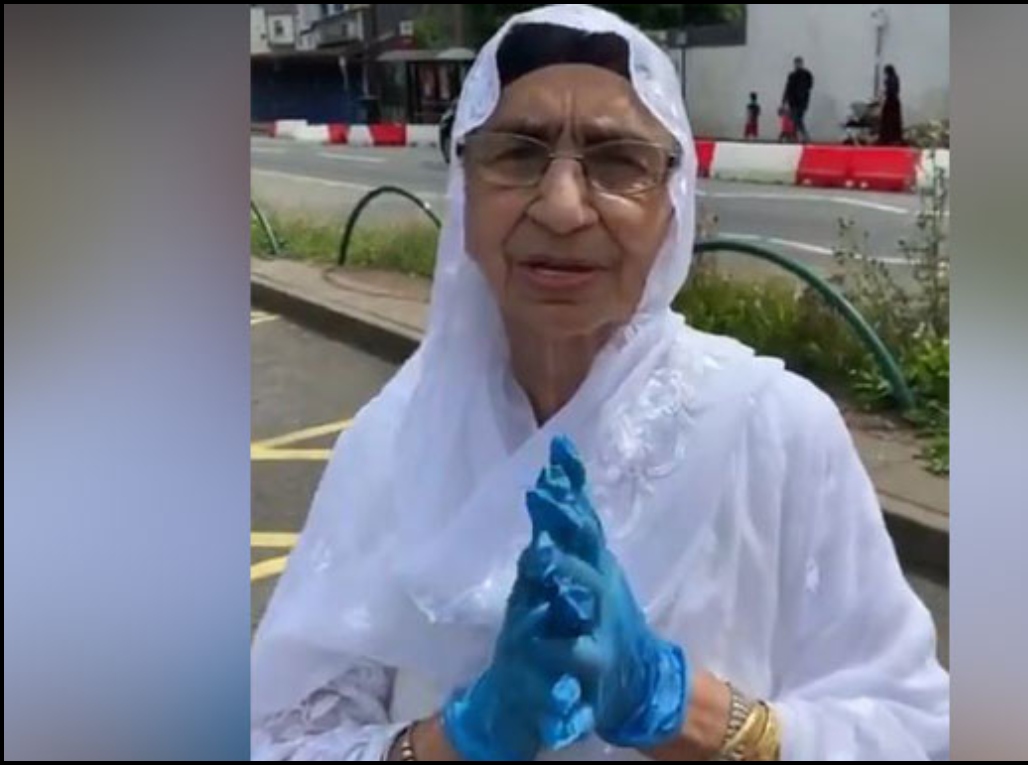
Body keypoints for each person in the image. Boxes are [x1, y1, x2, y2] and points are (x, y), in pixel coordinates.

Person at [250, 5, 948, 761]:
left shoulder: (773, 431)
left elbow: (911, 730)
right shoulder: (396, 443)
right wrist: (459, 738)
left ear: (672, 203)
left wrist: (679, 705)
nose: (561, 207)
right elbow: (280, 738)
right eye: (516, 154)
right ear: (464, 189)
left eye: (618, 162)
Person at [780, 56, 813, 143]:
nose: (797, 65)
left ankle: (801, 136)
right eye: (796, 63)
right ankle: (798, 136)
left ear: (802, 64)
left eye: (799, 63)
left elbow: (809, 87)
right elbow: (787, 88)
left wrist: (802, 95)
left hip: (801, 102)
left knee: (797, 119)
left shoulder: (806, 74)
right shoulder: (792, 75)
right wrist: (784, 101)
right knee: (795, 119)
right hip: (793, 102)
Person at [878, 64, 905, 146]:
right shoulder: (895, 78)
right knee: (894, 120)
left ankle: (887, 137)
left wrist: (885, 93)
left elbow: (891, 90)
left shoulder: (890, 79)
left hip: (891, 101)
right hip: (894, 101)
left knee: (887, 120)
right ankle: (894, 137)